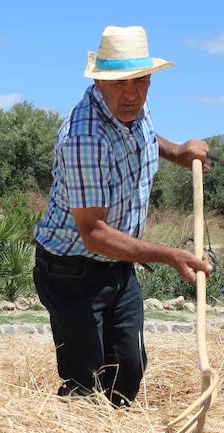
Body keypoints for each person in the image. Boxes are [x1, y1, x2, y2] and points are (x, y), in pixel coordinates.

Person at [33, 25, 212, 408]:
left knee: (129, 368)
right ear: (99, 79)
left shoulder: (135, 105)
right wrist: (169, 256)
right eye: (121, 83)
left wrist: (177, 151)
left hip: (117, 265)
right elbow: (94, 233)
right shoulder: (84, 138)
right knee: (85, 378)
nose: (132, 93)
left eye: (141, 81)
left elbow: (143, 133)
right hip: (72, 271)